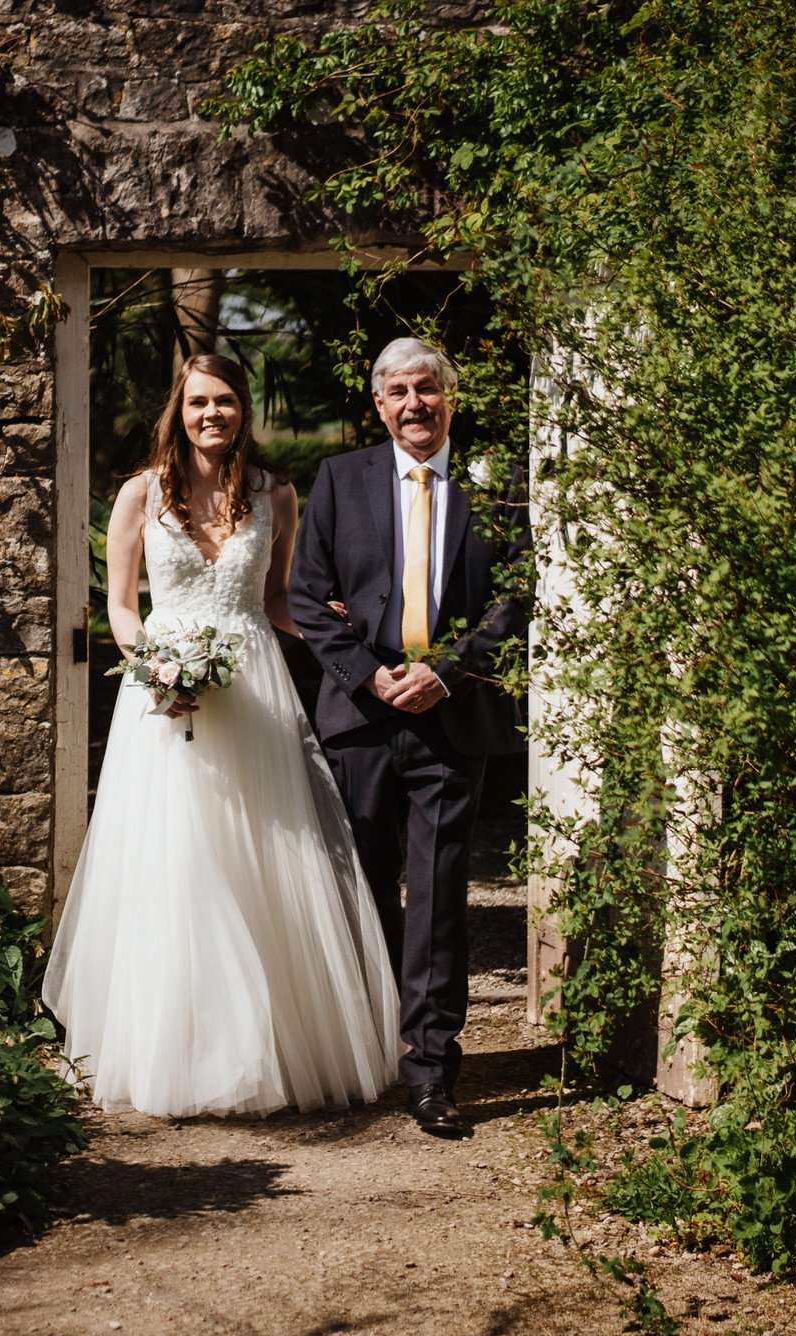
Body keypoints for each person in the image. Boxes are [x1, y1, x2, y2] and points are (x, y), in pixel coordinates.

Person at [43, 353, 401, 1118]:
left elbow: (276, 598)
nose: (214, 414)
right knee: (176, 861)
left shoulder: (277, 493)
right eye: (200, 402)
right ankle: (173, 1049)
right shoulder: (140, 493)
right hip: (167, 697)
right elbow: (120, 607)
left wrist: (345, 637)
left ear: (243, 410)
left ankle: (268, 1045)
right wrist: (155, 671)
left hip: (255, 688)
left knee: (263, 857)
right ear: (180, 409)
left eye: (228, 402)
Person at [288, 337, 530, 1138]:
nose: (413, 404)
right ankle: (363, 1050)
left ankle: (431, 1068)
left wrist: (448, 671)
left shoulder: (495, 482)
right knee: (360, 888)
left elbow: (513, 602)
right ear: (379, 403)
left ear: (449, 397)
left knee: (437, 898)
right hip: (362, 716)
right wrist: (369, 674)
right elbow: (306, 592)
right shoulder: (339, 479)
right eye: (398, 392)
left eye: (427, 389)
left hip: (450, 716)